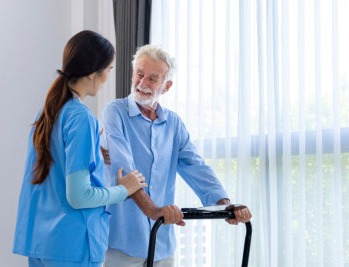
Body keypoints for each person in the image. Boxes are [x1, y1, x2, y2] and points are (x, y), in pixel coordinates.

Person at [100, 44, 252, 267]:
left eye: (152, 78)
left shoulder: (173, 123)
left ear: (167, 85)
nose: (143, 83)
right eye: (140, 74)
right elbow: (123, 170)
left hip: (162, 242)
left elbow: (195, 166)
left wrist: (224, 205)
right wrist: (153, 210)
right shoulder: (115, 112)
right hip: (122, 242)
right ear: (133, 74)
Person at [12, 30, 147, 267]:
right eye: (109, 69)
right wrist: (122, 190)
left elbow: (54, 175)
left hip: (42, 245)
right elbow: (78, 196)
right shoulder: (80, 117)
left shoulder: (48, 112)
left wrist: (93, 151)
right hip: (73, 248)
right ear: (95, 73)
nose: (107, 77)